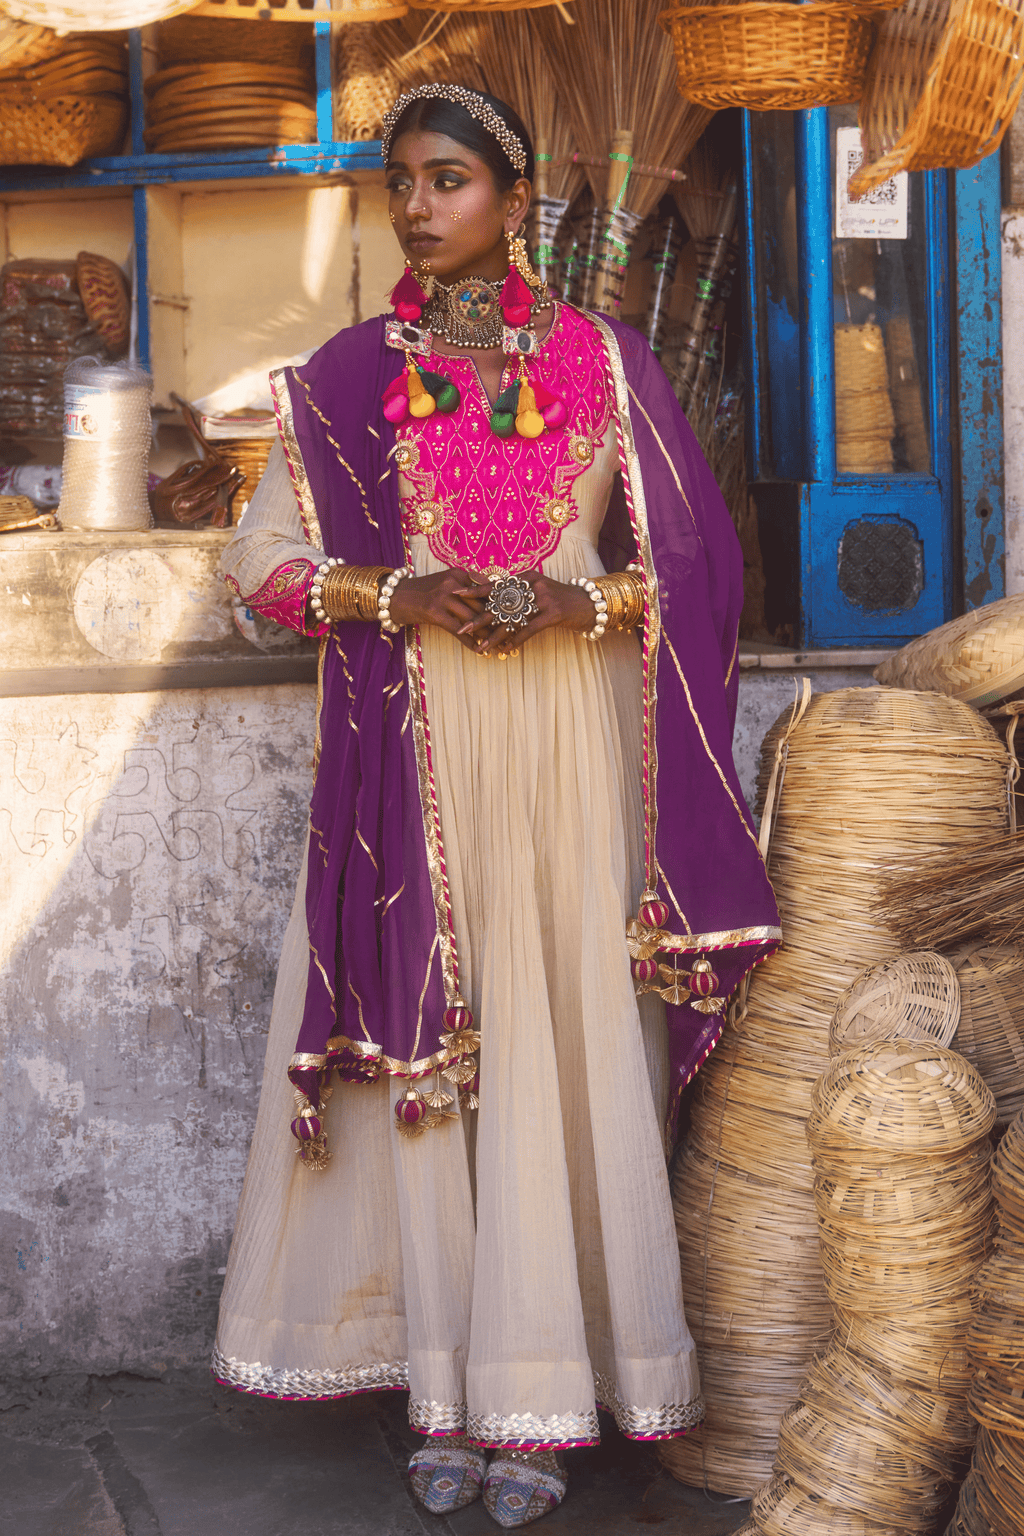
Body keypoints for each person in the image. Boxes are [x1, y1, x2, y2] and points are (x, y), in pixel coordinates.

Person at [213, 84, 780, 1529]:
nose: (418, 205)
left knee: (561, 1043)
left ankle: (552, 1392)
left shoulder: (605, 364)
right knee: (436, 1061)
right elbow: (262, 565)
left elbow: (695, 583)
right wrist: (399, 589)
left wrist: (567, 599)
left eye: (449, 179)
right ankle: (447, 1391)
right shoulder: (347, 379)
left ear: (515, 199)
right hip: (418, 758)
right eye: (400, 181)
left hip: (574, 757)